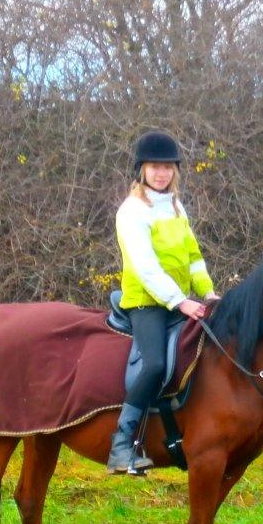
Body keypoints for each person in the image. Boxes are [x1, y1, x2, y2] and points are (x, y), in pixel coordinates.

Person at [108, 130, 220, 475]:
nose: (162, 173)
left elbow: (192, 254)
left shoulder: (175, 206)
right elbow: (145, 266)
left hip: (179, 300)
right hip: (146, 302)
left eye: (168, 167)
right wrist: (180, 302)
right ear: (142, 169)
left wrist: (208, 290)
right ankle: (122, 444)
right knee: (155, 364)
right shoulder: (132, 211)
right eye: (155, 167)